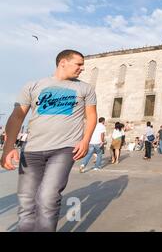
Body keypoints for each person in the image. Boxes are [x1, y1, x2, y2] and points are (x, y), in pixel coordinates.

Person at [1, 49, 97, 232]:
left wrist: (85, 140)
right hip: (31, 150)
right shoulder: (33, 85)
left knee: (48, 197)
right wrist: (8, 148)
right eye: (78, 64)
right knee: (26, 201)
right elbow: (16, 117)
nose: (82, 68)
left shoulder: (85, 89)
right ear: (63, 62)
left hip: (64, 149)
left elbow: (91, 116)